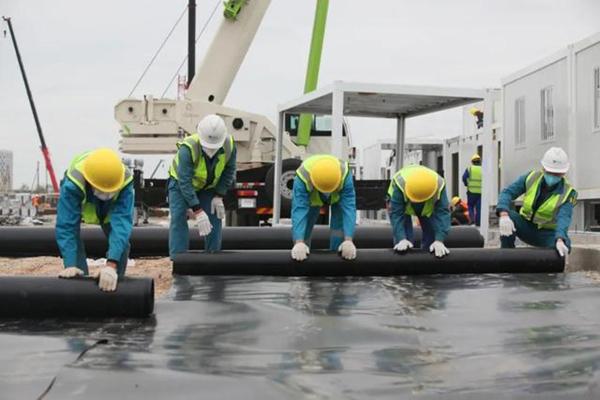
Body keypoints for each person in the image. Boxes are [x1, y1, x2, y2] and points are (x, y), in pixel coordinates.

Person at [56, 148, 134, 292]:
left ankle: (114, 286)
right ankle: (81, 290)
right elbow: (67, 227)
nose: (107, 194)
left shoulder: (124, 182)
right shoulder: (73, 184)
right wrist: (70, 264)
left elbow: (122, 225)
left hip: (109, 209)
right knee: (74, 246)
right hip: (84, 192)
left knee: (122, 245)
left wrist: (111, 265)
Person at [168, 114, 236, 259]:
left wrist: (219, 196)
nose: (211, 151)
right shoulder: (188, 148)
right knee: (178, 217)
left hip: (208, 186)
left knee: (214, 216)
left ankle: (212, 258)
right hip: (180, 184)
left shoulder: (229, 145)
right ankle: (179, 260)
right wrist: (197, 210)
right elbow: (184, 181)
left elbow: (229, 170)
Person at [497, 147, 576, 257]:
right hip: (525, 226)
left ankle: (550, 268)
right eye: (550, 172)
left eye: (557, 174)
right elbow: (508, 192)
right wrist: (504, 214)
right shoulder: (531, 178)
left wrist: (560, 238)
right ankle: (507, 257)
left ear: (563, 173)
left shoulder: (569, 193)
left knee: (565, 244)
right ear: (543, 168)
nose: (553, 176)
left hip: (546, 234)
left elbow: (564, 217)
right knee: (508, 218)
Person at [291, 154, 357, 261]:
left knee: (339, 229)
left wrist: (348, 240)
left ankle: (337, 260)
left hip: (337, 197)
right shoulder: (303, 177)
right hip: (313, 198)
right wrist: (299, 242)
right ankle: (302, 256)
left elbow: (349, 208)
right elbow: (299, 210)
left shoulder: (344, 175)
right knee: (306, 223)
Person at [387, 164, 451, 258]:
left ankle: (427, 266)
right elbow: (396, 214)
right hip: (402, 209)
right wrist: (401, 238)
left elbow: (443, 213)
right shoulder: (400, 184)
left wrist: (439, 240)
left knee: (432, 239)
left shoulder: (439, 184)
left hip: (427, 210)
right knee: (404, 244)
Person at [462, 153, 482, 226]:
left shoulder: (469, 169)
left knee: (470, 206)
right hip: (480, 192)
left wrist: (466, 184)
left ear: (472, 162)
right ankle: (478, 223)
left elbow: (464, 178)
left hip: (471, 191)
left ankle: (472, 220)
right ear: (479, 161)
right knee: (479, 208)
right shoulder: (483, 169)